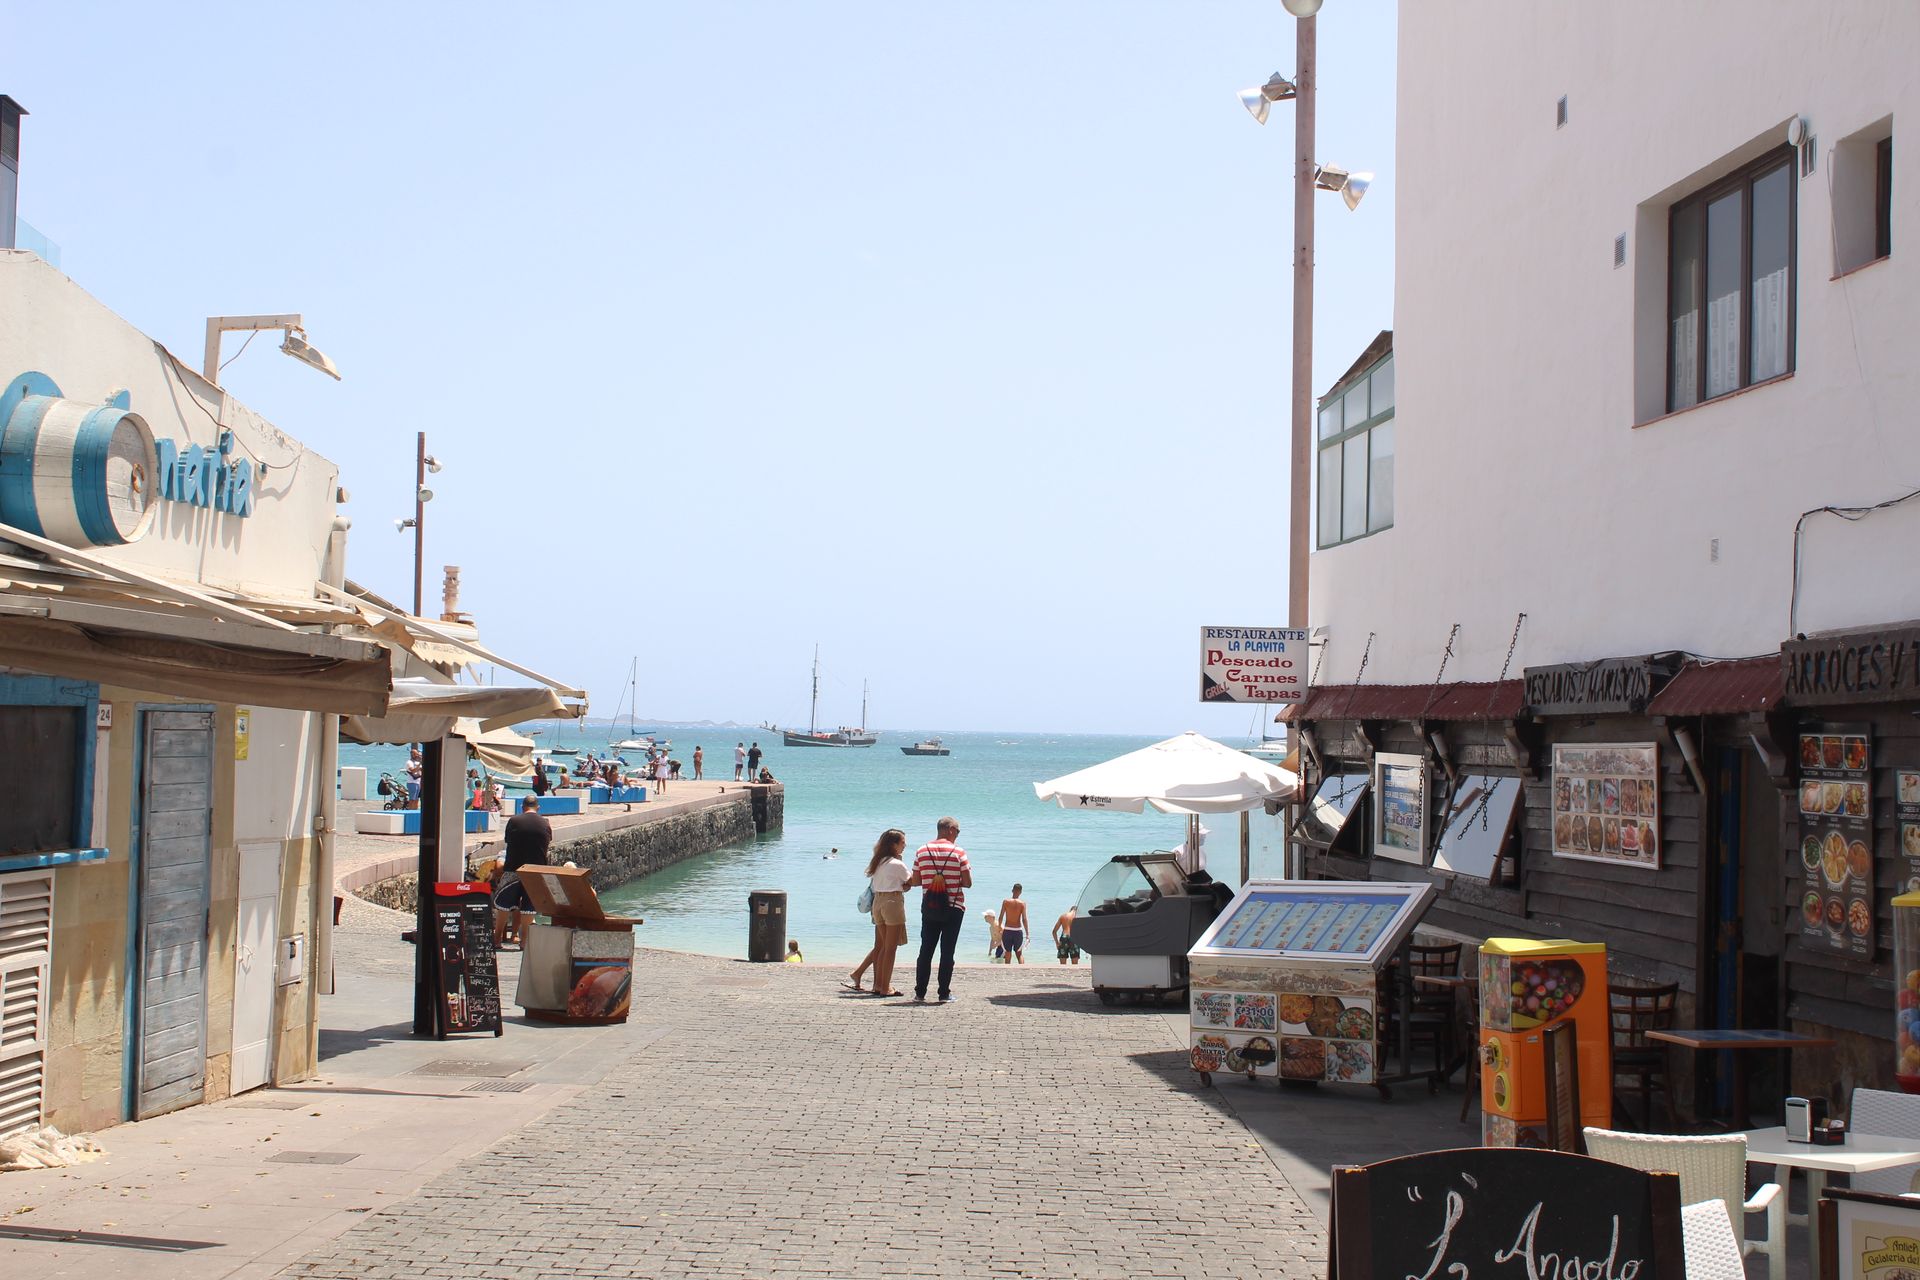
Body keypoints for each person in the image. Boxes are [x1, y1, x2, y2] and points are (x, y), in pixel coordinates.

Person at [908, 817, 971, 1004]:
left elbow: (916, 881)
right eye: (958, 831)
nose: (958, 835)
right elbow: (967, 883)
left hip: (930, 907)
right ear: (950, 829)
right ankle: (943, 993)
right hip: (954, 907)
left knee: (926, 950)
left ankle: (920, 993)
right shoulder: (959, 852)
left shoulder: (922, 850)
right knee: (947, 951)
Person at [847, 828, 909, 995]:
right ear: (894, 845)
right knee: (890, 948)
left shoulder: (878, 862)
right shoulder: (897, 864)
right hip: (892, 902)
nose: (905, 845)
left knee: (881, 947)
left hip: (878, 903)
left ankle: (879, 985)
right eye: (902, 843)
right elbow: (911, 881)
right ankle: (885, 987)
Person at [493, 796, 553, 948]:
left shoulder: (514, 821)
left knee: (503, 905)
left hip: (514, 868)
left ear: (522, 807)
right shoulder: (545, 823)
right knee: (528, 908)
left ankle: (497, 940)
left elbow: (508, 841)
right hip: (535, 872)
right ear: (537, 807)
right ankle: (524, 943)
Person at [999, 884, 1030, 964]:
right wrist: (1027, 933)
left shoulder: (1006, 902)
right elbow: (1024, 919)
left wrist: (999, 928)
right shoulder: (1022, 903)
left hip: (1007, 930)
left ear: (1012, 890)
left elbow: (1001, 916)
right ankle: (1022, 969)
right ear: (1020, 892)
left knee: (1008, 953)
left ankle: (1007, 971)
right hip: (1018, 931)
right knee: (1019, 954)